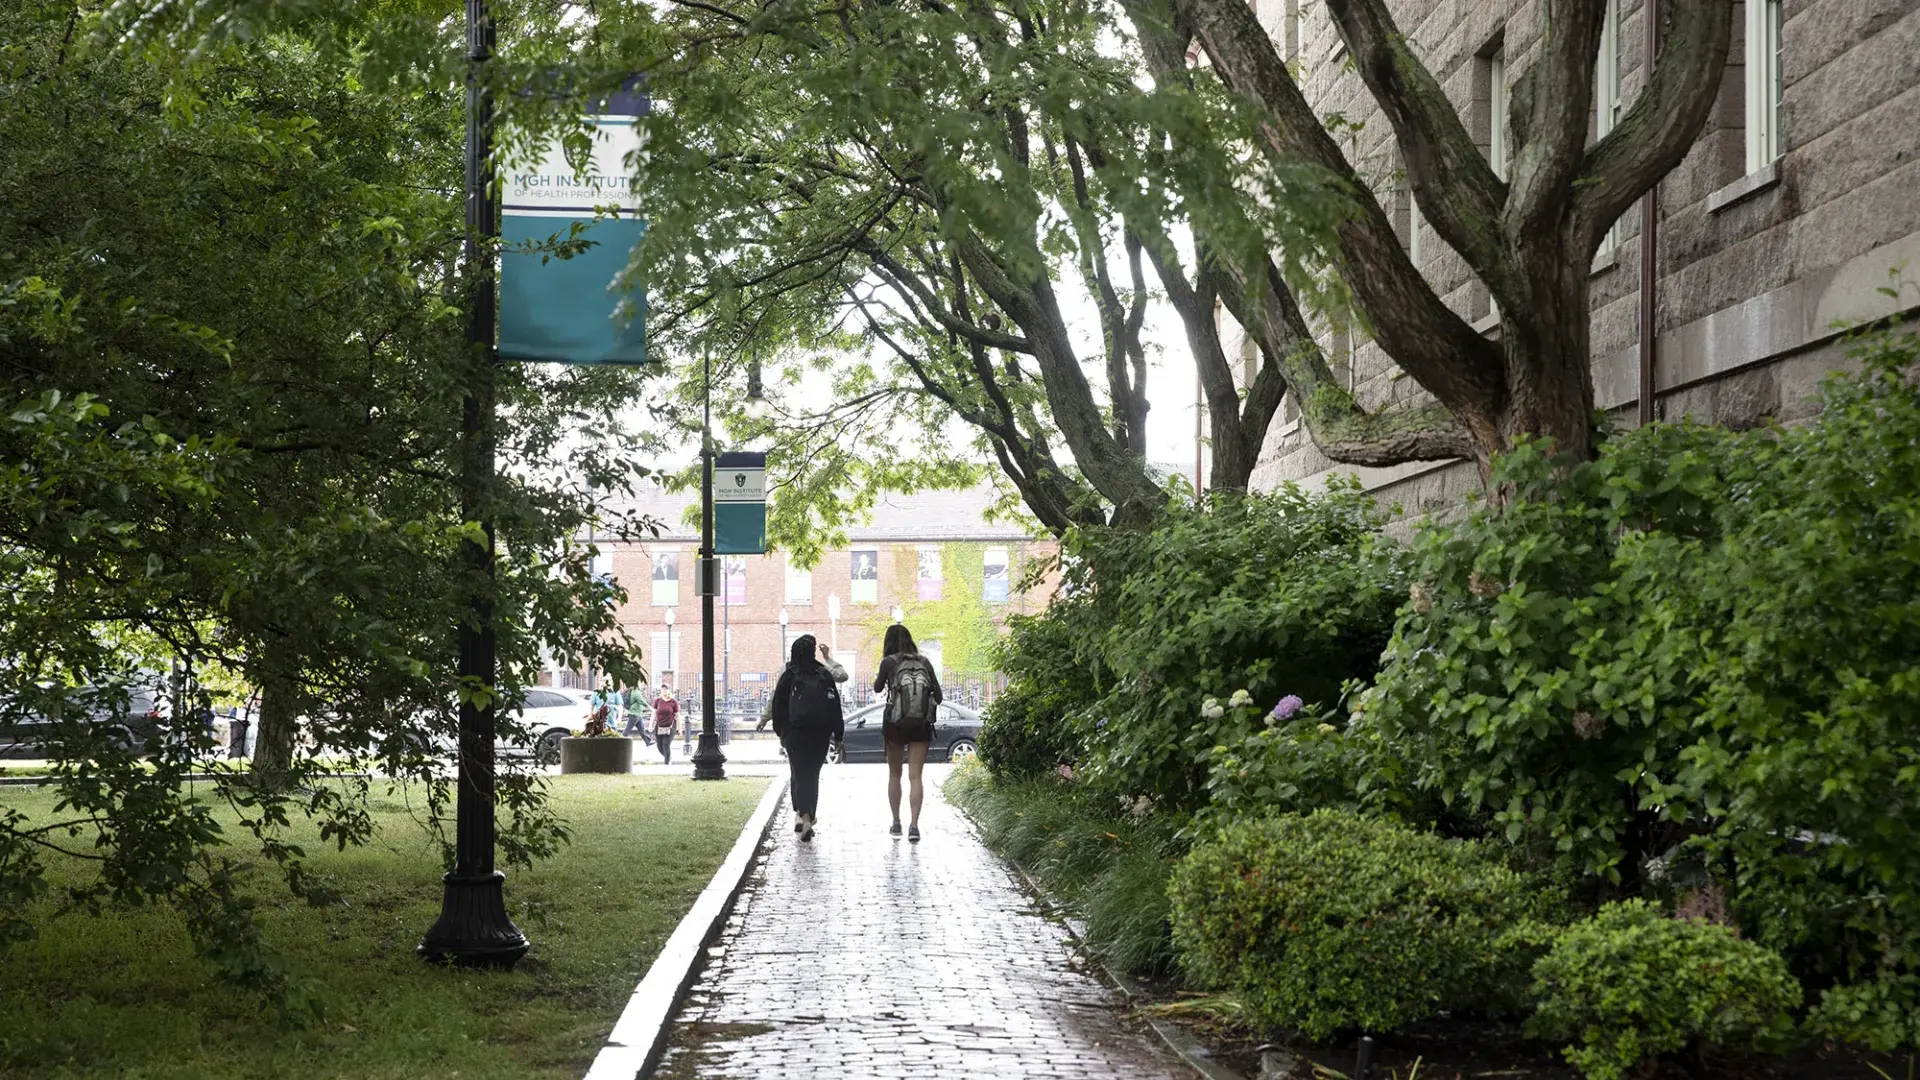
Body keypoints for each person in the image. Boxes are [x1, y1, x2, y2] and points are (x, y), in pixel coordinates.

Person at [770, 635, 843, 842]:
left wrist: (781, 731)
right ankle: (808, 816)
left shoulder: (789, 674)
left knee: (800, 774)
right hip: (820, 733)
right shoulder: (823, 674)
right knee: (812, 775)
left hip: (795, 732)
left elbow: (778, 705)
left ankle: (802, 816)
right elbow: (834, 705)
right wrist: (838, 734)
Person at [874, 623, 941, 842]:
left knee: (895, 774)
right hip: (921, 725)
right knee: (916, 776)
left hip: (895, 725)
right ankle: (914, 826)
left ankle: (896, 823)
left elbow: (876, 688)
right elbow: (939, 696)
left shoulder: (888, 662)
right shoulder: (924, 662)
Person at [757, 641, 848, 731]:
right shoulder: (820, 669)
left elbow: (776, 695)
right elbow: (842, 676)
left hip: (794, 724)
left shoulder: (787, 669)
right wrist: (827, 657)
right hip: (817, 724)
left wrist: (764, 719)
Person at [651, 684, 679, 764]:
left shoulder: (673, 702)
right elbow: (654, 713)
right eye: (662, 689)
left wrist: (679, 728)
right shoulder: (658, 701)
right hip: (659, 726)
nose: (664, 691)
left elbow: (677, 715)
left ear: (669, 690)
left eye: (665, 689)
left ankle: (667, 763)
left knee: (666, 744)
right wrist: (651, 725)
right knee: (659, 746)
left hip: (670, 726)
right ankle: (668, 757)